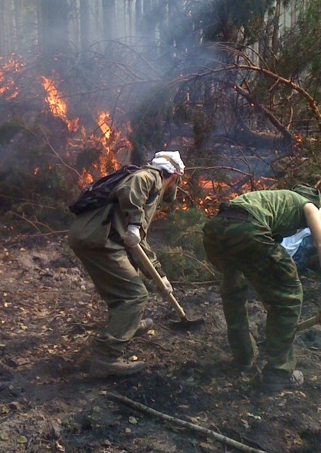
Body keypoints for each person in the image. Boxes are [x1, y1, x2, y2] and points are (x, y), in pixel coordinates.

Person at [68, 151, 185, 378]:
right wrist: (133, 223)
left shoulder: (151, 189)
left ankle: (125, 326)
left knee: (121, 295)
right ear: (174, 175)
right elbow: (130, 191)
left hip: (92, 236)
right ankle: (106, 358)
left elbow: (139, 241)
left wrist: (159, 275)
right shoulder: (151, 176)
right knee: (134, 295)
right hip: (101, 240)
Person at [202, 185, 321, 393]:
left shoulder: (273, 201)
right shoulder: (308, 204)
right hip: (246, 229)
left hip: (215, 229)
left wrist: (268, 296)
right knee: (289, 294)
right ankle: (278, 372)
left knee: (234, 290)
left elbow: (258, 271)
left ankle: (243, 358)